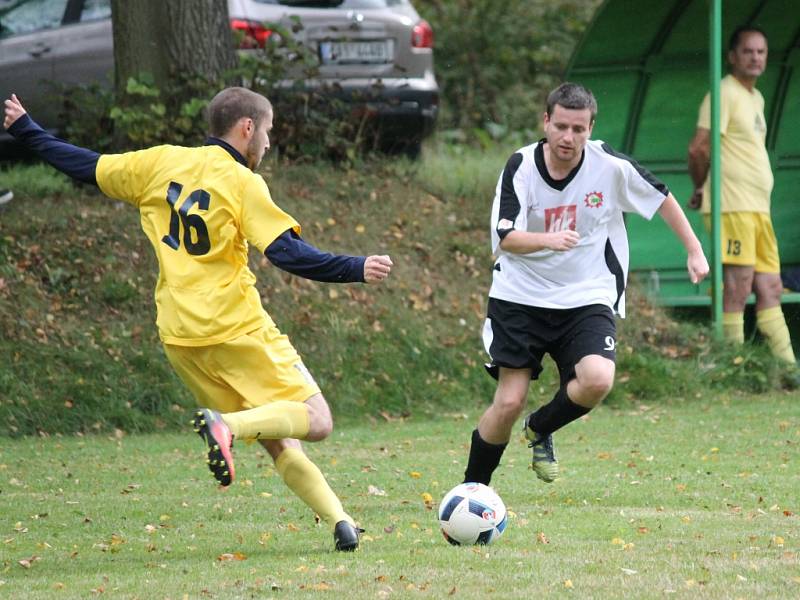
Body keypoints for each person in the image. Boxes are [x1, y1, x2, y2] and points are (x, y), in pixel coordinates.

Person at [3, 87, 393, 551]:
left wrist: (27, 130)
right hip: (234, 327)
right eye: (267, 131)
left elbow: (86, 165)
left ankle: (341, 523)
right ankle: (227, 426)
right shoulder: (242, 182)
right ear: (247, 127)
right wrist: (355, 267)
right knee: (317, 419)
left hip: (180, 335)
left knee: (276, 435)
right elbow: (287, 253)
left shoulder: (160, 163)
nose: (267, 143)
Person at [462, 83, 709, 487]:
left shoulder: (609, 166)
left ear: (591, 128)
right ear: (546, 122)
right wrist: (548, 239)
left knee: (597, 379)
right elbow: (505, 238)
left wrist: (694, 250)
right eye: (561, 126)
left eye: (579, 129)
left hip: (586, 294)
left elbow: (661, 197)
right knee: (507, 402)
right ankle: (472, 491)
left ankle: (540, 427)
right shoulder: (521, 166)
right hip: (520, 296)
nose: (568, 137)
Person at [687, 27, 796, 366]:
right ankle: (730, 365)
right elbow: (698, 147)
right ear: (732, 56)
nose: (755, 57)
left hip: (757, 210)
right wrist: (701, 185)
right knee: (737, 287)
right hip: (732, 207)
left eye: (761, 52)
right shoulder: (723, 93)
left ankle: (788, 370)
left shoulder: (756, 98)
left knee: (771, 287)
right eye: (748, 51)